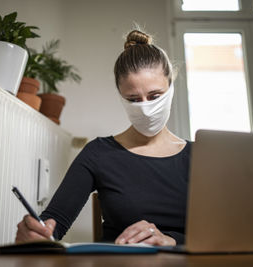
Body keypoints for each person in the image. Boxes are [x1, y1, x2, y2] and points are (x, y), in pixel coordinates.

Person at [16, 29, 191, 246]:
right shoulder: (98, 153)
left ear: (171, 87)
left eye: (154, 96)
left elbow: (222, 234)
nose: (146, 108)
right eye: (134, 99)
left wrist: (171, 240)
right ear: (121, 97)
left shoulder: (201, 157)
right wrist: (36, 233)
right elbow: (55, 222)